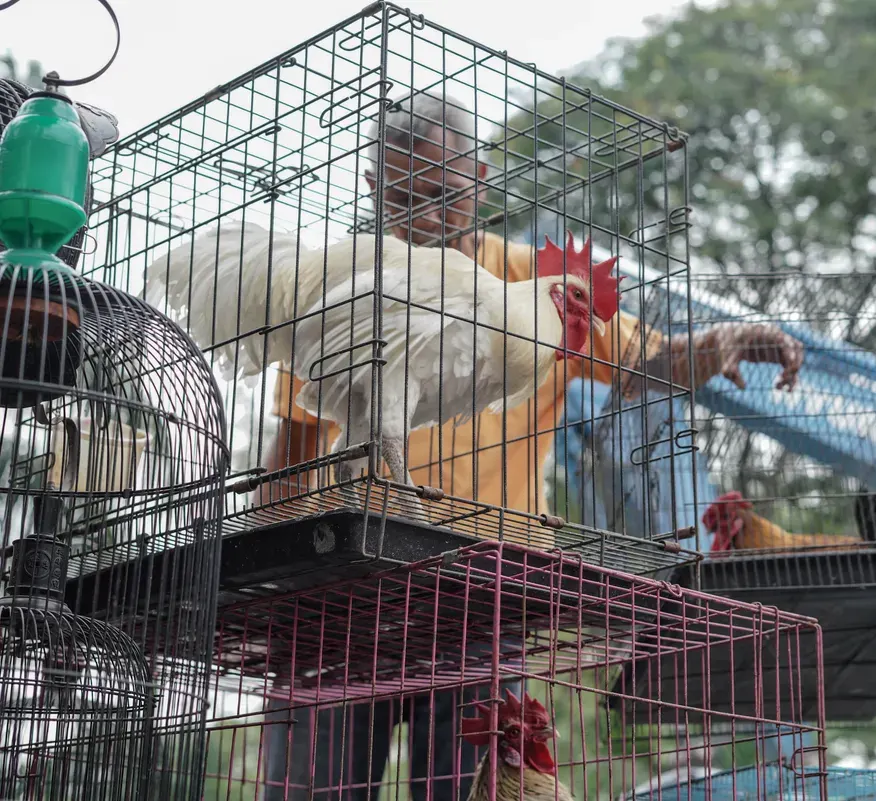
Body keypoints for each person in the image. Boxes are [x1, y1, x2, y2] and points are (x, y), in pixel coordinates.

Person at [261, 90, 805, 800]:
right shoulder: (342, 289)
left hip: (483, 600)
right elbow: (291, 459)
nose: (426, 213)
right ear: (372, 187)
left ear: (481, 180)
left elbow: (649, 361)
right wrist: (265, 588)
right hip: (341, 601)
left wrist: (714, 344)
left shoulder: (535, 283)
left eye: (444, 193)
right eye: (404, 194)